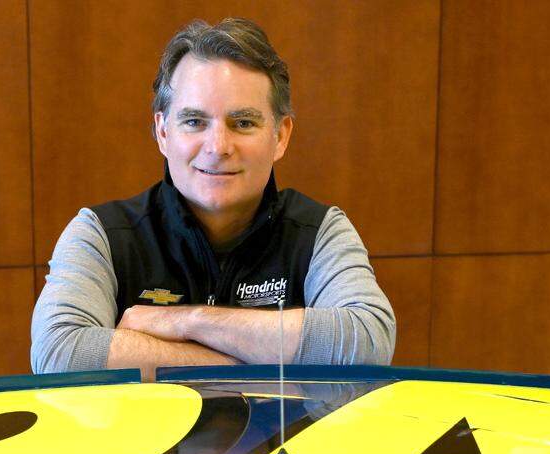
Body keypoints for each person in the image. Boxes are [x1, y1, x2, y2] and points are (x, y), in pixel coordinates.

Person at [31, 18, 395, 380]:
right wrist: (263, 362)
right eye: (194, 121)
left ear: (280, 136)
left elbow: (368, 342)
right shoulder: (102, 235)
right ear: (162, 131)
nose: (218, 147)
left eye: (243, 123)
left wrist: (182, 319)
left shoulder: (319, 232)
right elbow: (61, 354)